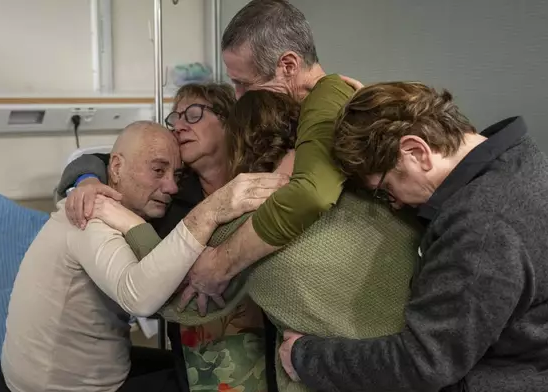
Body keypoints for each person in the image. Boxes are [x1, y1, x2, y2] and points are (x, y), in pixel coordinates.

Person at [98, 88, 422, 392]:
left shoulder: (247, 221)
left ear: (232, 132)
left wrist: (126, 222)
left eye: (193, 113)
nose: (179, 126)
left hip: (310, 368)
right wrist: (84, 178)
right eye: (176, 117)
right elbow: (112, 163)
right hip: (403, 369)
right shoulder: (383, 198)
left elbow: (169, 292)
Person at [280, 81, 548, 392]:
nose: (395, 204)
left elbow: (423, 363)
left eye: (385, 190)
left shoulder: (483, 228)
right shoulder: (515, 158)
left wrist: (305, 357)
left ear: (416, 151)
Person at [0, 121, 286, 392]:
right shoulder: (90, 215)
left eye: (176, 175)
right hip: (53, 385)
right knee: (200, 382)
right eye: (158, 171)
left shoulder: (131, 206)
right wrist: (210, 212)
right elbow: (139, 297)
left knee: (184, 370)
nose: (171, 187)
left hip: (72, 367)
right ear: (118, 168)